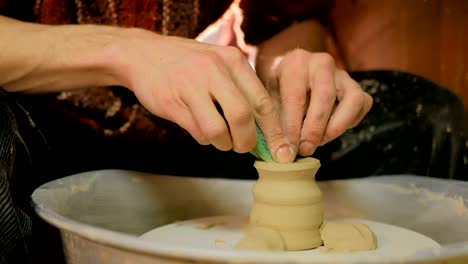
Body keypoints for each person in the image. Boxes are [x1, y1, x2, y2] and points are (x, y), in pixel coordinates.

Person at [0, 0, 466, 263]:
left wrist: (287, 80)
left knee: (423, 117)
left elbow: (283, 22)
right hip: (43, 129)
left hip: (200, 130)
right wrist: (122, 51)